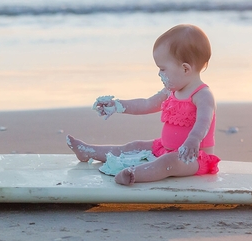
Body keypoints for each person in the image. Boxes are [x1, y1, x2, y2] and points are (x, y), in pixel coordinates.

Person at [67, 24, 220, 185]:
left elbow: (204, 121)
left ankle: (134, 174)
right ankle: (89, 152)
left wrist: (193, 140)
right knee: (135, 146)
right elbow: (146, 104)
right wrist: (117, 105)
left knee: (168, 163)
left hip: (193, 157)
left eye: (163, 69)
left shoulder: (203, 95)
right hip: (165, 148)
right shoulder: (171, 91)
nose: (159, 74)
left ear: (185, 69)